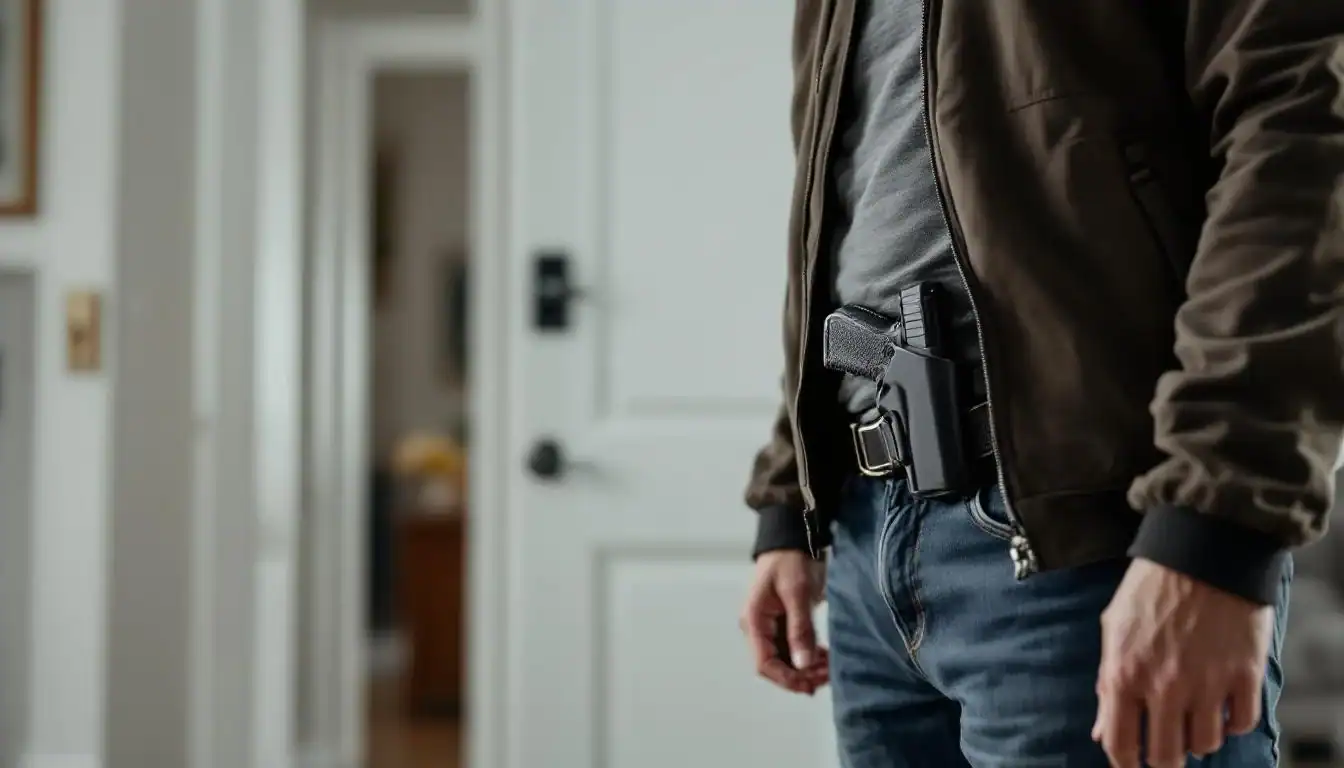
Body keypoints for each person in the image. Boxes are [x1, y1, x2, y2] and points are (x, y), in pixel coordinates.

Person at [738, 2, 1344, 766]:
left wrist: (1217, 522)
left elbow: (1301, 135)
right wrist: (792, 493)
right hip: (870, 543)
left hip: (1092, 536)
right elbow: (841, 205)